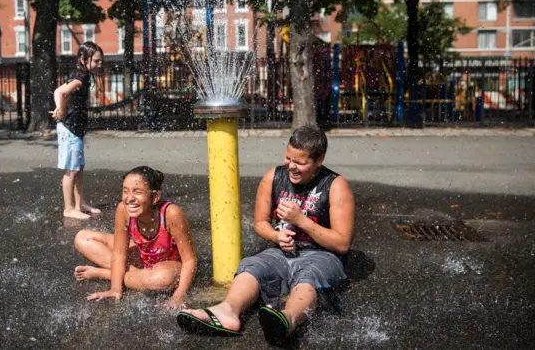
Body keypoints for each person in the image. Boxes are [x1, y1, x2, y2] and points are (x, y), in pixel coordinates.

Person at [177, 125, 355, 345]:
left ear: (319, 160)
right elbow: (260, 223)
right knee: (252, 265)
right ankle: (227, 311)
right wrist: (275, 236)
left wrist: (302, 221)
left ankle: (287, 320)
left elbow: (342, 243)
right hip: (280, 250)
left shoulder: (336, 186)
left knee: (309, 275)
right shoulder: (274, 176)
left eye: (300, 162)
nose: (291, 166)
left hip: (322, 255)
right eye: (289, 158)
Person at [74, 166, 197, 309]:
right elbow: (119, 253)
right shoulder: (123, 209)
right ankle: (133, 277)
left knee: (163, 280)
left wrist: (178, 296)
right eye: (125, 191)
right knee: (82, 238)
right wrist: (115, 288)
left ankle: (106, 273)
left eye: (138, 192)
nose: (129, 198)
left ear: (155, 197)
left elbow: (189, 260)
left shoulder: (171, 214)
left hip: (168, 267)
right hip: (143, 257)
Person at [52, 41, 103, 220]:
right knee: (71, 170)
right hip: (70, 128)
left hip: (76, 129)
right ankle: (68, 209)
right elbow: (61, 92)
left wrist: (60, 108)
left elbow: (59, 90)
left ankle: (79, 204)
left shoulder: (83, 75)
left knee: (79, 168)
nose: (99, 64)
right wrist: (61, 109)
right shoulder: (81, 77)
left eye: (100, 61)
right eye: (96, 61)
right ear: (83, 59)